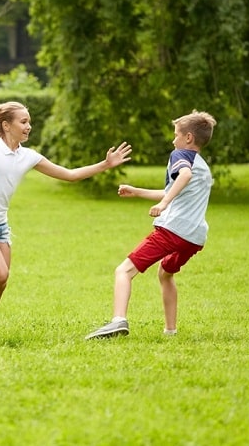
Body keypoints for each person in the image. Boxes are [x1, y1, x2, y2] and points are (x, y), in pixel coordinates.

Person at [0, 101, 133, 337]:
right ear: (6, 125)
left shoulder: (28, 156)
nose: (29, 126)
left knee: (0, 284)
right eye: (24, 122)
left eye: (29, 122)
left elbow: (69, 175)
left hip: (0, 224)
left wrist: (106, 164)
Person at [85, 110, 216, 339]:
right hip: (194, 237)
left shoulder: (180, 154)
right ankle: (170, 331)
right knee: (165, 273)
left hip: (173, 230)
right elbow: (175, 190)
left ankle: (118, 321)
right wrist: (136, 192)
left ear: (188, 138)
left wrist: (164, 203)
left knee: (123, 271)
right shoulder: (203, 166)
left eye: (176, 134)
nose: (173, 139)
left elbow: (182, 177)